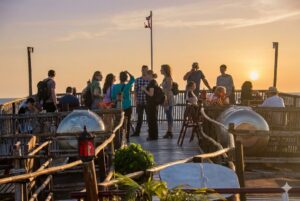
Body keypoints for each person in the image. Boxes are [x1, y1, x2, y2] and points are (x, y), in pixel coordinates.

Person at [111, 71, 135, 141]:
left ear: (119, 78)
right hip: (127, 106)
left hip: (119, 107)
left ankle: (120, 137)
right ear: (126, 78)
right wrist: (128, 72)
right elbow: (133, 79)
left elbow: (112, 97)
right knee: (127, 122)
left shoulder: (115, 86)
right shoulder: (128, 86)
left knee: (119, 122)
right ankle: (127, 137)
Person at [132, 65, 150, 137]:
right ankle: (137, 132)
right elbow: (135, 91)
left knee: (149, 118)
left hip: (147, 102)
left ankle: (150, 131)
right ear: (141, 70)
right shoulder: (137, 80)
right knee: (139, 118)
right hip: (139, 101)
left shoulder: (150, 80)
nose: (144, 71)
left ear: (147, 71)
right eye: (143, 70)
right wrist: (135, 100)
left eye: (145, 70)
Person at [142, 70, 158, 140]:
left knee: (151, 120)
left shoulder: (152, 83)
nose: (145, 77)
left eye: (146, 75)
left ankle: (152, 136)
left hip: (151, 104)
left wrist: (144, 89)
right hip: (152, 104)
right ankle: (153, 135)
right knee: (152, 120)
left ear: (150, 75)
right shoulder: (154, 82)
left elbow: (151, 94)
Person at [161, 64, 175, 139]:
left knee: (169, 115)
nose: (160, 70)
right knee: (168, 114)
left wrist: (165, 99)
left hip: (168, 98)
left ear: (165, 70)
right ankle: (169, 131)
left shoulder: (169, 78)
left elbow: (168, 89)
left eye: (161, 69)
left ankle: (170, 131)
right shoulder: (165, 78)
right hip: (166, 97)